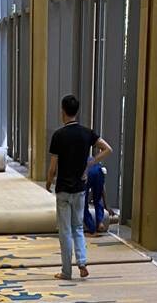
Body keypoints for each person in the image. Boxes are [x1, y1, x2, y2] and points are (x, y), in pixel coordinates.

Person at [45, 95, 111, 280]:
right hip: (80, 189)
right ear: (77, 111)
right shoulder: (87, 133)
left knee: (65, 231)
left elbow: (53, 168)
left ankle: (66, 271)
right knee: (78, 228)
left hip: (63, 189)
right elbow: (108, 149)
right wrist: (91, 162)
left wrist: (48, 184)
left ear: (63, 111)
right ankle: (82, 262)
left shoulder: (58, 135)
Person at [83, 160, 110, 235]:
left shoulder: (82, 162)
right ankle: (100, 222)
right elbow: (102, 190)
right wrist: (106, 205)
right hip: (98, 173)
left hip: (86, 173)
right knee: (98, 200)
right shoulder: (96, 163)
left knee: (83, 205)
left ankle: (92, 228)